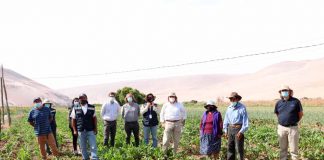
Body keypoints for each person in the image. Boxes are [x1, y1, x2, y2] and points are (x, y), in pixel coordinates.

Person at [275, 85, 303, 160]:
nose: (284, 92)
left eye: (286, 90)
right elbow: (277, 114)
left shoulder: (296, 101)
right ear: (280, 93)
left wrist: (293, 121)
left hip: (293, 128)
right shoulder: (278, 103)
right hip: (281, 128)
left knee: (294, 149)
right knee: (282, 149)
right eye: (282, 91)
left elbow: (300, 114)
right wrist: (283, 121)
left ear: (290, 92)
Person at [71, 94, 99, 160]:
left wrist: (95, 128)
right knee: (83, 147)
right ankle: (85, 158)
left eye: (83, 98)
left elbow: (94, 118)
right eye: (80, 98)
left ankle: (94, 158)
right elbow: (73, 119)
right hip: (81, 130)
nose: (82, 99)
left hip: (90, 130)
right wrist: (74, 130)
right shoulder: (75, 107)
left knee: (93, 145)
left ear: (86, 98)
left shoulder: (91, 107)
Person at [223, 92, 249, 160]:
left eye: (233, 99)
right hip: (230, 129)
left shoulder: (242, 108)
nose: (232, 101)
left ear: (237, 99)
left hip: (238, 129)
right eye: (230, 99)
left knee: (239, 149)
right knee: (230, 148)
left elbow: (245, 123)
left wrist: (241, 132)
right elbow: (226, 120)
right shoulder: (229, 108)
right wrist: (225, 131)